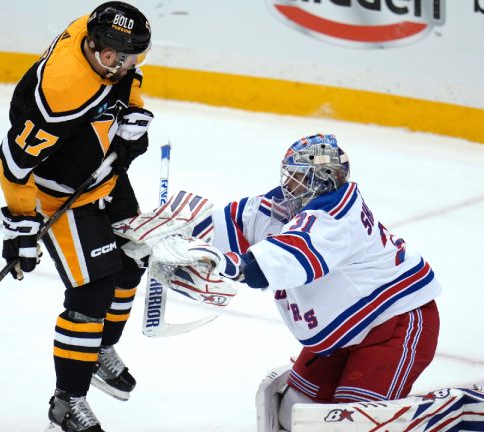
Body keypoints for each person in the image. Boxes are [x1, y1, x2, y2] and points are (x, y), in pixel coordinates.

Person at [142, 133, 442, 431]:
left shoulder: (336, 218)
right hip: (343, 330)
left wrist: (228, 264)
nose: (288, 185)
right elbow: (234, 221)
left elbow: (284, 259)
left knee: (351, 424)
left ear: (320, 181)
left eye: (297, 177)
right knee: (292, 412)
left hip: (395, 324)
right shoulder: (287, 204)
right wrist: (174, 234)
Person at [0, 2, 153, 431]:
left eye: (130, 56)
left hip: (102, 174)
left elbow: (126, 76)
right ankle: (66, 402)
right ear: (91, 45)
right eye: (111, 58)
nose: (120, 67)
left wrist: (130, 118)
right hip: (61, 193)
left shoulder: (100, 38)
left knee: (133, 260)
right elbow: (14, 165)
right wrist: (21, 224)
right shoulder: (60, 94)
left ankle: (98, 349)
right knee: (92, 294)